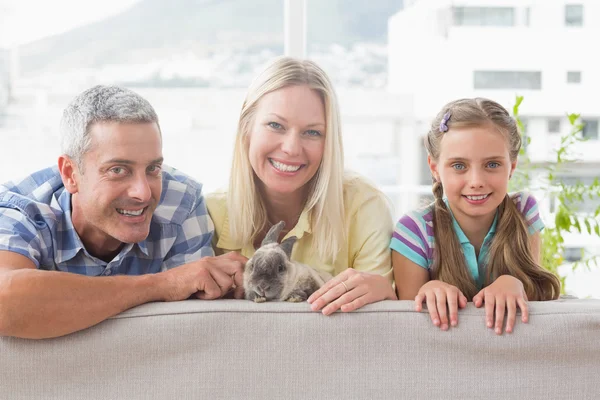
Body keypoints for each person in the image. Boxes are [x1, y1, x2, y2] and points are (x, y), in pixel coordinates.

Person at [0, 85, 246, 339]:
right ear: (70, 174)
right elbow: (5, 302)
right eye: (118, 170)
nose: (143, 193)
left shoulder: (181, 203)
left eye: (153, 168)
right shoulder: (19, 209)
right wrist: (162, 284)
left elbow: (192, 335)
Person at [206, 57, 397, 315]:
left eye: (312, 132)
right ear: (246, 128)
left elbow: (384, 329)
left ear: (329, 142)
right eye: (275, 125)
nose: (291, 148)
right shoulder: (210, 212)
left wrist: (384, 292)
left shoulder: (364, 206)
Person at [390, 98, 560, 335]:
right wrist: (429, 290)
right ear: (434, 168)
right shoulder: (414, 231)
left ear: (511, 167)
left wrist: (516, 283)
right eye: (459, 166)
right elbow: (405, 329)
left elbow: (538, 306)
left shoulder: (523, 212)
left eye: (492, 164)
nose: (477, 182)